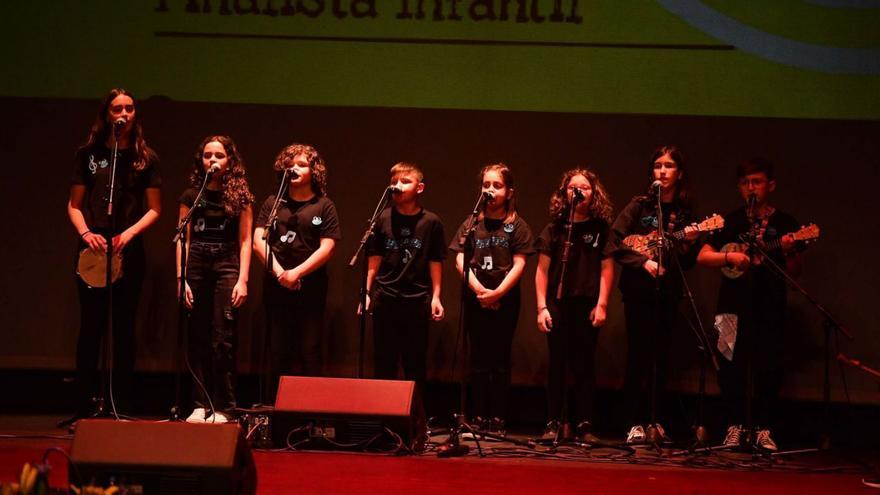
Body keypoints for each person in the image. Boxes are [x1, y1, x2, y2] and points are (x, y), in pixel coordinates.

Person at [66, 88, 161, 422]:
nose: (124, 114)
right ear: (107, 114)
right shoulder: (90, 154)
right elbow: (75, 205)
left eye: (130, 108)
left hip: (127, 248)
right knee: (91, 327)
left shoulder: (144, 158)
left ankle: (122, 402)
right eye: (117, 108)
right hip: (92, 247)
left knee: (124, 327)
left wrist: (129, 234)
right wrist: (87, 234)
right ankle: (84, 404)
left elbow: (154, 210)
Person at [697, 157, 803, 451]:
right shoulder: (729, 221)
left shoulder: (785, 223)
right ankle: (734, 426)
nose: (750, 188)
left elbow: (795, 270)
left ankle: (763, 428)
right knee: (728, 365)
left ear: (770, 185)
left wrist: (791, 250)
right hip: (729, 306)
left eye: (756, 182)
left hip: (769, 305)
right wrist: (729, 257)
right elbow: (703, 256)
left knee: (769, 365)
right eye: (745, 183)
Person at [608, 146, 699, 444]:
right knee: (638, 356)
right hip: (637, 292)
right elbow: (614, 241)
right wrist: (642, 261)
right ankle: (632, 422)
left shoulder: (685, 214)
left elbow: (687, 260)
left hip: (668, 292)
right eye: (657, 165)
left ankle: (655, 420)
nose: (662, 171)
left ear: (680, 173)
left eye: (669, 165)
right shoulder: (639, 206)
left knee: (662, 358)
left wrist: (687, 244)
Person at [449, 163, 534, 433]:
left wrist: (497, 293)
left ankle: (497, 417)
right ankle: (477, 415)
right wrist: (479, 291)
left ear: (509, 191)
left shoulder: (516, 226)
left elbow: (520, 264)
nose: (490, 190)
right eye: (486, 185)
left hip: (505, 299)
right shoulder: (472, 222)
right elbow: (460, 258)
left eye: (496, 185)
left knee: (499, 359)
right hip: (476, 297)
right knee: (478, 358)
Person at [535, 168, 614, 442]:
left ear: (594, 194)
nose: (577, 192)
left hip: (587, 303)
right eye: (572, 188)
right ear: (564, 193)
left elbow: (606, 268)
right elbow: (542, 270)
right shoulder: (554, 229)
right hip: (558, 303)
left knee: (584, 364)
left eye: (584, 188)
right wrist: (541, 307)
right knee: (557, 363)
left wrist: (602, 304)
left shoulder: (600, 229)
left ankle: (584, 423)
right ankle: (554, 421)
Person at [178, 136, 254, 423]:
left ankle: (224, 405)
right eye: (207, 155)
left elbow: (245, 241)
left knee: (222, 337)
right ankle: (199, 403)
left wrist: (242, 279)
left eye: (219, 155)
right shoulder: (190, 195)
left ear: (230, 161)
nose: (213, 160)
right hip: (196, 261)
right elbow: (183, 240)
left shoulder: (240, 198)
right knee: (196, 334)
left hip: (226, 262)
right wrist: (181, 278)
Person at [254, 144, 341, 385]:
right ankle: (277, 412)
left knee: (308, 349)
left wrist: (296, 273)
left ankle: (309, 413)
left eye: (301, 164)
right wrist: (281, 273)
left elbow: (328, 247)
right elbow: (257, 241)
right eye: (289, 165)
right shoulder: (273, 203)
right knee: (277, 350)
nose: (294, 168)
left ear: (314, 171)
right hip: (276, 285)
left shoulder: (324, 205)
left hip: (310, 286)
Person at [363, 162, 446, 393]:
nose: (398, 186)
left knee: (415, 364)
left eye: (405, 181)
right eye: (394, 182)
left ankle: (414, 419)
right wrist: (366, 293)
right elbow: (375, 257)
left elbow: (435, 260)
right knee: (384, 362)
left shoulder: (431, 222)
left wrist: (436, 297)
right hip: (385, 297)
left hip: (417, 299)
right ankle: (382, 415)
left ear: (419, 188)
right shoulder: (383, 218)